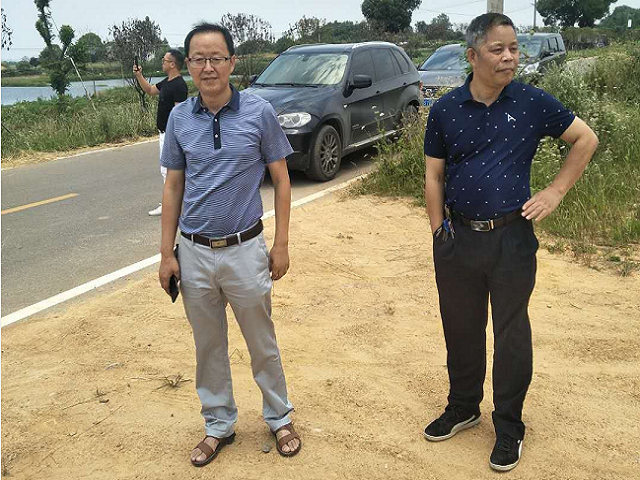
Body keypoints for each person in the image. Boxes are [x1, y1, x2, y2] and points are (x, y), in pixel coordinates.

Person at [423, 13, 598, 472]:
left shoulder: (531, 102)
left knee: (511, 334)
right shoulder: (445, 109)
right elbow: (434, 175)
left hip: (512, 240)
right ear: (472, 55)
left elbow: (585, 138)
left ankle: (509, 426)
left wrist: (555, 191)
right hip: (459, 239)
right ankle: (463, 407)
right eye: (498, 49)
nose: (509, 57)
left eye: (514, 48)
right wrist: (439, 231)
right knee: (460, 328)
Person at [158, 23, 301, 467]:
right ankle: (218, 423)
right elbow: (173, 187)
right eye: (198, 59)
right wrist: (166, 254)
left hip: (245, 249)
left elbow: (281, 180)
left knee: (262, 341)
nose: (208, 67)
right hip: (194, 252)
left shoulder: (259, 112)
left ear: (232, 62)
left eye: (216, 58)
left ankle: (279, 416)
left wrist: (281, 243)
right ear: (188, 65)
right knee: (208, 346)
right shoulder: (180, 118)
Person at [133, 49, 188, 216]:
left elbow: (180, 115)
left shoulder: (179, 85)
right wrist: (138, 75)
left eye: (164, 60)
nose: (162, 62)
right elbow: (150, 90)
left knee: (168, 170)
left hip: (171, 136)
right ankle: (174, 203)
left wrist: (176, 138)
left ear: (172, 64)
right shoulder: (167, 82)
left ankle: (170, 205)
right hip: (163, 133)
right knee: (168, 170)